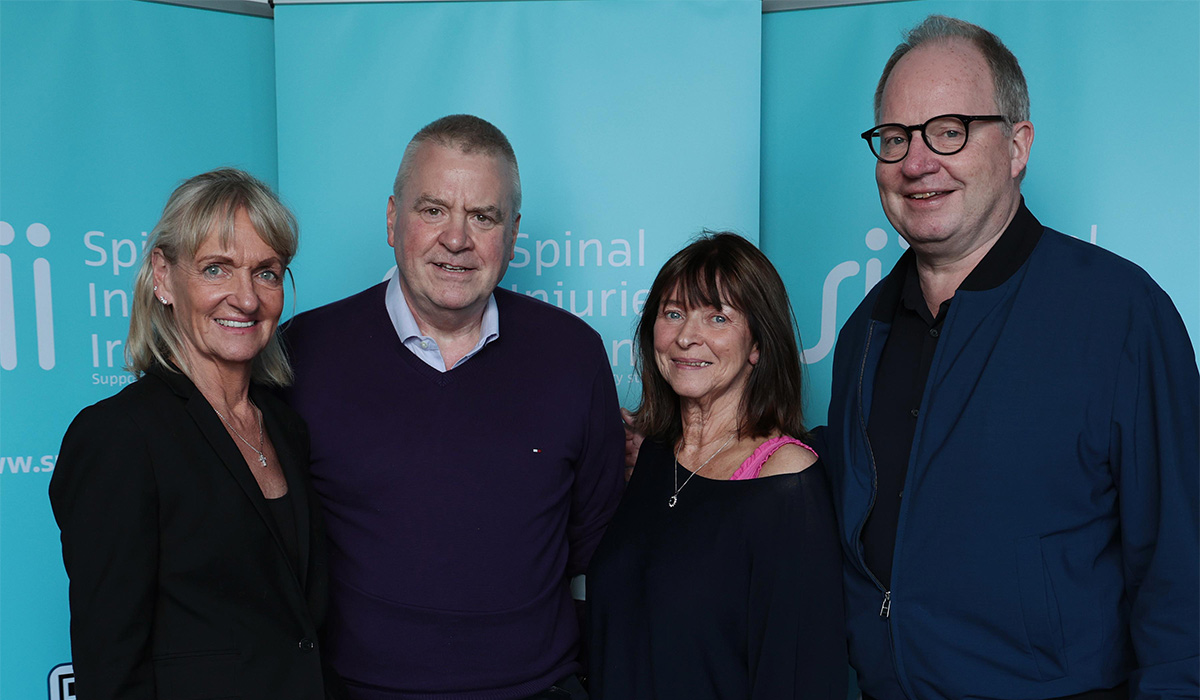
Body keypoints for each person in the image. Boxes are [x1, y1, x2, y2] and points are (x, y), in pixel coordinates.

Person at [828, 15, 1199, 699]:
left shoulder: (1119, 314)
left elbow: (1182, 568)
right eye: (895, 138)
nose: (916, 162)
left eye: (950, 131)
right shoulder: (864, 333)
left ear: (1018, 146)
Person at [281, 114, 625, 700]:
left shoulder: (574, 355)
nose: (457, 239)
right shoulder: (302, 353)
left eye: (483, 217)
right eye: (433, 209)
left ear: (512, 234)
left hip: (537, 690)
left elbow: (599, 538)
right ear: (393, 219)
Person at [50, 168, 340, 699]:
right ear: (163, 276)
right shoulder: (119, 437)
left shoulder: (285, 426)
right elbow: (110, 668)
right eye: (216, 269)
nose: (246, 299)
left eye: (267, 273)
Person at [588, 232, 847, 700]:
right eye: (673, 313)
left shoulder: (787, 482)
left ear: (757, 345)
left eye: (718, 316)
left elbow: (799, 677)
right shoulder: (654, 457)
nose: (687, 336)